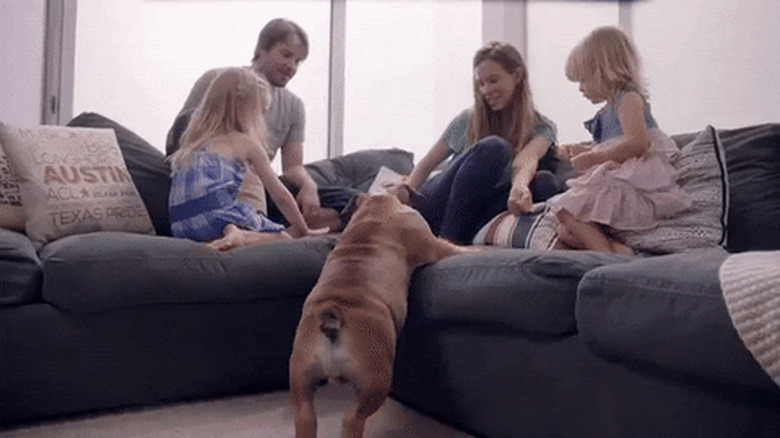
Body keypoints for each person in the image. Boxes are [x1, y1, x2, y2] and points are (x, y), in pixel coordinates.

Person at [167, 18, 356, 232]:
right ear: (261, 50)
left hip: (264, 185)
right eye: (285, 55)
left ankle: (284, 228)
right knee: (254, 187)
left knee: (349, 200)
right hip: (220, 183)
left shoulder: (294, 106)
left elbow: (293, 167)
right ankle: (273, 229)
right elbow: (180, 137)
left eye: (298, 61)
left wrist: (308, 185)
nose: (291, 67)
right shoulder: (219, 81)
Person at [547, 26, 691, 254]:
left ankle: (605, 256)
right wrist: (582, 149)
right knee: (565, 232)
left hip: (634, 177)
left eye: (583, 80)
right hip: (618, 173)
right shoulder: (608, 110)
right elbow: (612, 143)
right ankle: (621, 253)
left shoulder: (629, 99)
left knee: (566, 211)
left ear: (605, 71)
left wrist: (595, 157)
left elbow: (637, 143)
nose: (581, 89)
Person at [400, 41, 559, 245]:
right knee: (495, 148)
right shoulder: (467, 120)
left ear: (518, 76)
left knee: (545, 182)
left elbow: (525, 160)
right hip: (438, 203)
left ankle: (470, 236)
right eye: (481, 83)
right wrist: (403, 197)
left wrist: (520, 187)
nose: (486, 90)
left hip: (477, 213)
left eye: (493, 80)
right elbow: (426, 165)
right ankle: (448, 242)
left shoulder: (543, 127)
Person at [167, 67, 327, 251]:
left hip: (180, 226)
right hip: (217, 220)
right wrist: (303, 229)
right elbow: (280, 195)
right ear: (249, 113)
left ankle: (229, 232)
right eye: (261, 112)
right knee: (283, 236)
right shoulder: (244, 142)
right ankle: (240, 235)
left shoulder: (193, 143)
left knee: (220, 207)